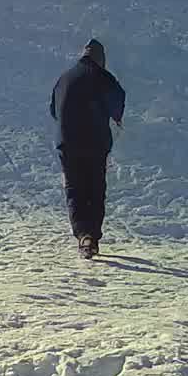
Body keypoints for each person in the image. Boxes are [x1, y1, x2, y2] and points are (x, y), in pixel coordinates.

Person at [49, 39, 126, 258]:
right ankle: (91, 235)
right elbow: (118, 101)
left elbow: (54, 110)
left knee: (74, 189)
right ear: (100, 59)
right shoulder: (104, 78)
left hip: (67, 143)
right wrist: (116, 117)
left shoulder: (64, 78)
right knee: (95, 189)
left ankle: (82, 235)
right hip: (94, 142)